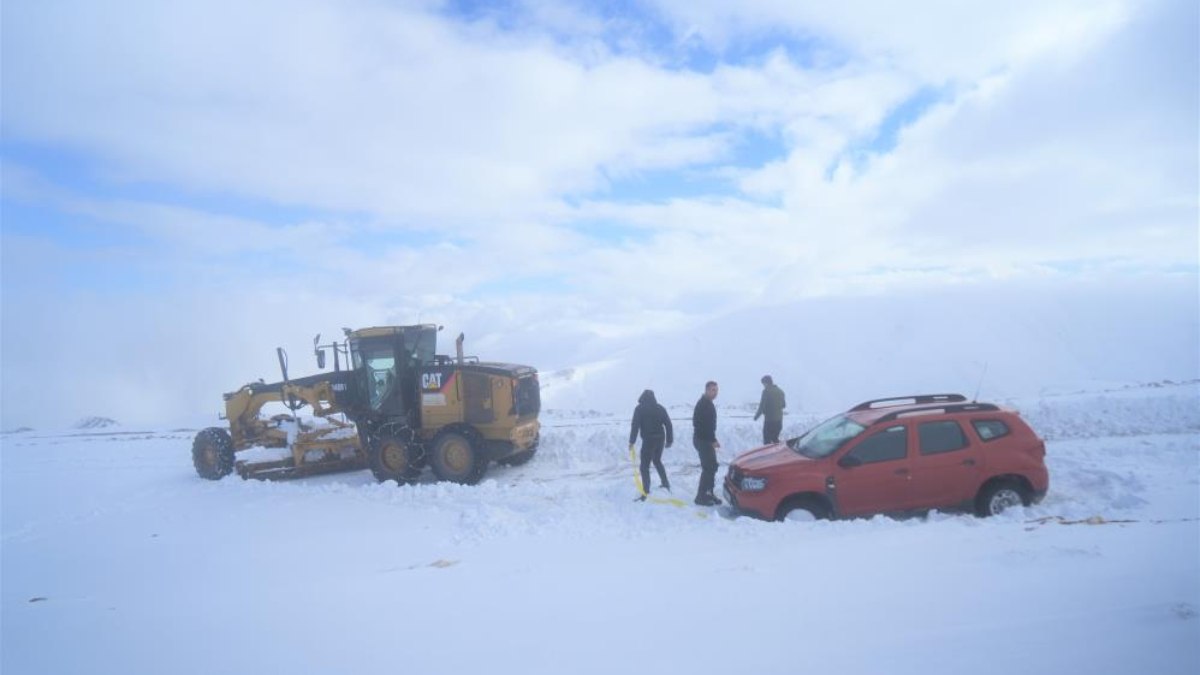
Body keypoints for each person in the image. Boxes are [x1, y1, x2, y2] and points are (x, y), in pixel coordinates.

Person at [629, 389, 673, 499]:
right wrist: (669, 440)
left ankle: (646, 492)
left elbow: (635, 426)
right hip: (660, 439)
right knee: (657, 460)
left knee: (644, 467)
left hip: (649, 441)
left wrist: (632, 441)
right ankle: (665, 483)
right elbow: (668, 424)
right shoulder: (660, 408)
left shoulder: (639, 409)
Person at [692, 380, 722, 506]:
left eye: (716, 390)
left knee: (713, 466)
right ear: (707, 390)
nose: (715, 393)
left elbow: (709, 425)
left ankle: (709, 493)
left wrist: (713, 439)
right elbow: (700, 425)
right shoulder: (703, 404)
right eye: (713, 390)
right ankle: (700, 497)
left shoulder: (708, 403)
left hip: (706, 440)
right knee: (708, 468)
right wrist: (712, 440)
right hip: (702, 440)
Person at [753, 375, 787, 444]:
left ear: (766, 383)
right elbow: (784, 405)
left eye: (763, 384)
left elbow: (762, 406)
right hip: (779, 421)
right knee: (775, 440)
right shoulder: (781, 391)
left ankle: (769, 454)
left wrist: (756, 417)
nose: (763, 386)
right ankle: (777, 453)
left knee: (767, 442)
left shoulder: (766, 391)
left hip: (769, 421)